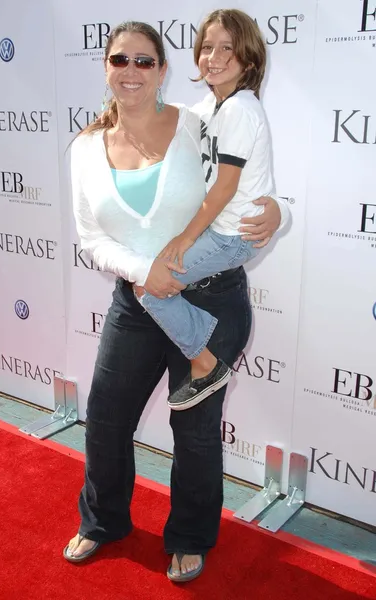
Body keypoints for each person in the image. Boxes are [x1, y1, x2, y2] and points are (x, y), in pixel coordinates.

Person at [63, 20, 289, 583]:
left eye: (145, 61)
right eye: (121, 60)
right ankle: (104, 521)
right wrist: (146, 274)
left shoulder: (196, 122)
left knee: (194, 432)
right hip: (137, 303)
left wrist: (282, 212)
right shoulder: (86, 148)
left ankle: (189, 537)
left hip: (211, 301)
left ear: (164, 70)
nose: (132, 71)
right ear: (106, 67)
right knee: (107, 421)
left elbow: (240, 181)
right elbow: (91, 239)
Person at [135, 8, 277, 412]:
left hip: (231, 236)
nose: (212, 58)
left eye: (226, 49)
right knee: (152, 281)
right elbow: (172, 120)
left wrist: (185, 238)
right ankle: (207, 343)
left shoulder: (239, 109)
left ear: (248, 59)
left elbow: (224, 190)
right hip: (222, 231)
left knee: (150, 285)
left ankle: (207, 361)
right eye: (206, 48)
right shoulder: (213, 107)